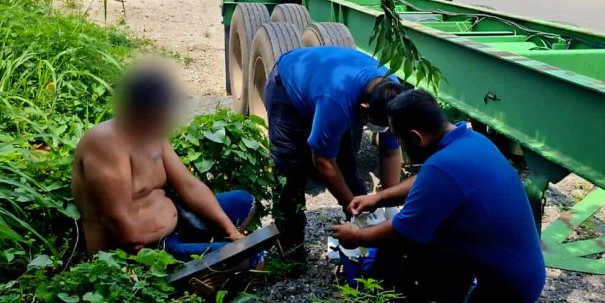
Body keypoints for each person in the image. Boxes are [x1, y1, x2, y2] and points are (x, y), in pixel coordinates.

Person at [331, 89, 546, 303]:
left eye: (399, 138)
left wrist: (356, 236)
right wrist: (378, 198)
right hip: (522, 270)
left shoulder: (442, 167)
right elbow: (427, 179)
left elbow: (403, 231)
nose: (400, 144)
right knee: (407, 254)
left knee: (393, 259)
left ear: (415, 138)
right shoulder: (472, 141)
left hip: (507, 287)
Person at [72, 64, 260, 266]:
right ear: (144, 110)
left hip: (177, 225)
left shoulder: (151, 135)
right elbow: (117, 222)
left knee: (244, 202)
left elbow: (189, 186)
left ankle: (206, 252)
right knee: (251, 256)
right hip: (148, 250)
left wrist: (231, 232)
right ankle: (208, 278)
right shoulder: (105, 143)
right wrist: (158, 246)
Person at [264, 46, 406, 259]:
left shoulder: (393, 97)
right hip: (287, 86)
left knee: (347, 165)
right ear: (364, 107)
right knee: (290, 173)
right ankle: (290, 250)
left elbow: (390, 153)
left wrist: (389, 205)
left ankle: (365, 237)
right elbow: (322, 160)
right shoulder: (337, 102)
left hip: (327, 84)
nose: (383, 130)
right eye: (377, 124)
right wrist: (354, 206)